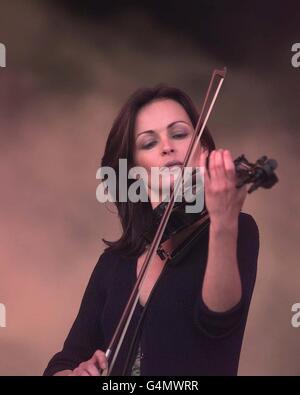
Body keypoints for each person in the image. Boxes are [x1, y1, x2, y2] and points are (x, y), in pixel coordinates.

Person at [43, 84, 259, 376]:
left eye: (179, 134)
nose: (167, 146)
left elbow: (218, 322)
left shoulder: (236, 229)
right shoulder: (113, 263)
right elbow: (64, 362)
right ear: (134, 172)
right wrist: (73, 373)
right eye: (148, 143)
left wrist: (223, 223)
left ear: (203, 149)